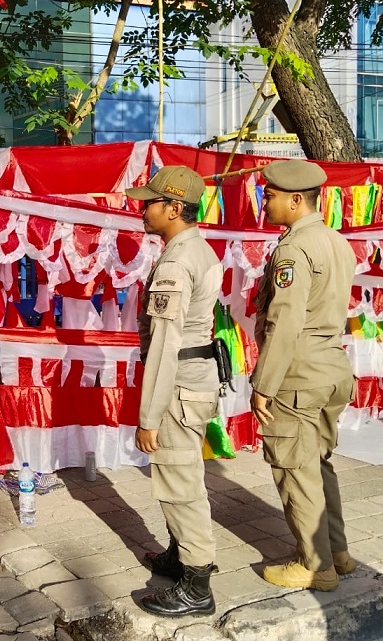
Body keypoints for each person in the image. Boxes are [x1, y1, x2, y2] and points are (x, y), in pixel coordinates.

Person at [250, 159, 357, 592]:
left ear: (296, 199)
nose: (265, 201)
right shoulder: (335, 241)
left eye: (271, 195)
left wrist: (263, 386)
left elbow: (285, 322)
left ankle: (316, 566)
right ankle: (338, 552)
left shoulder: (294, 249)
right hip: (331, 366)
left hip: (299, 373)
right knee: (317, 463)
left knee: (295, 468)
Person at [128, 166, 223, 617]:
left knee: (178, 483)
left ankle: (197, 584)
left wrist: (149, 416)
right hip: (195, 378)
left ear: (174, 207)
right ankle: (181, 554)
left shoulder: (177, 261)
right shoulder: (197, 249)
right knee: (183, 475)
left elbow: (165, 343)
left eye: (150, 202)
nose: (142, 208)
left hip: (179, 383)